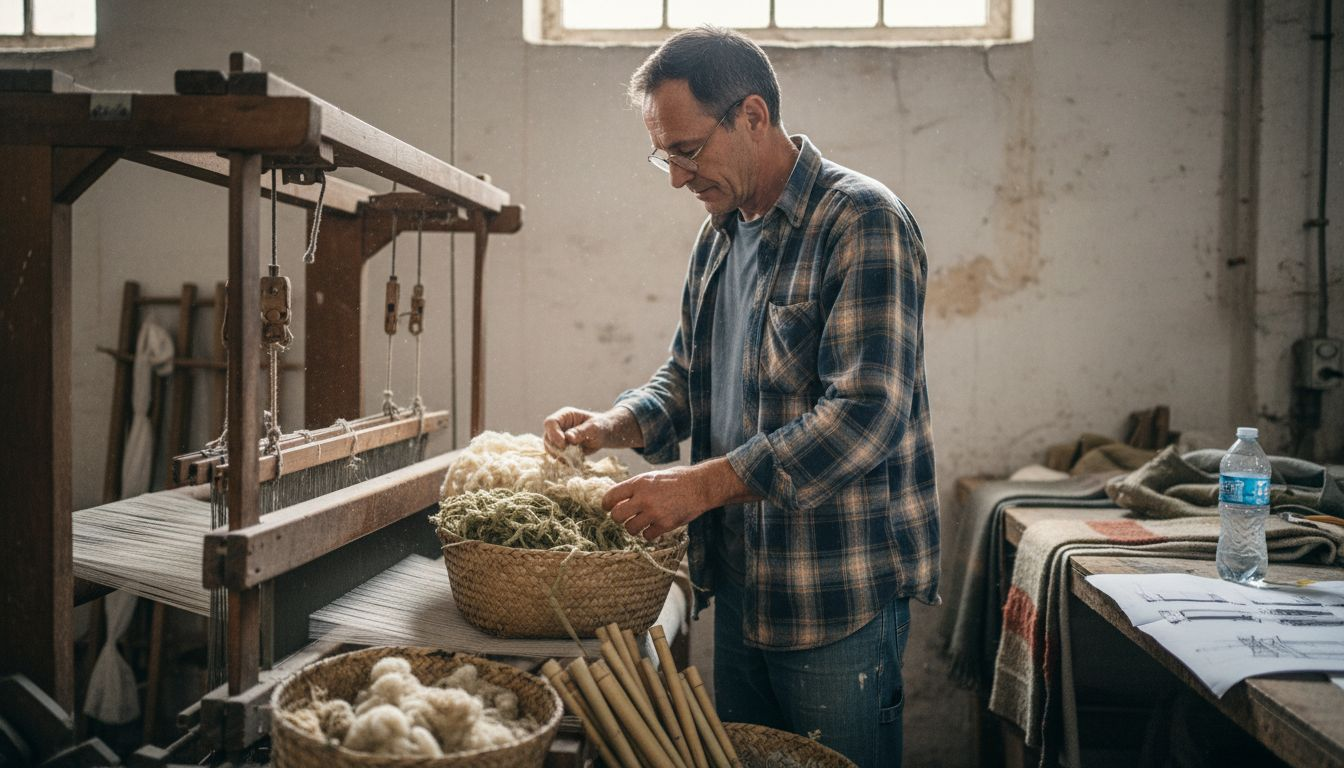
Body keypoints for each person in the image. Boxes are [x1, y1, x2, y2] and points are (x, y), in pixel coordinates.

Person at [542, 25, 938, 768]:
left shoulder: (861, 221)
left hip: (834, 595)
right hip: (744, 582)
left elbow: (864, 416)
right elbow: (686, 378)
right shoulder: (721, 234)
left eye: (687, 151)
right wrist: (613, 424)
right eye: (664, 155)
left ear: (753, 115)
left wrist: (701, 486)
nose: (676, 178)